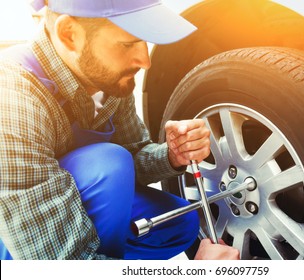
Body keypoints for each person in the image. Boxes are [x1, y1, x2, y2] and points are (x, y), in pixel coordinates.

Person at [0, 0, 240, 260]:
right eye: (128, 44)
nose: (145, 61)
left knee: (179, 224)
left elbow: (132, 157)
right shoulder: (12, 99)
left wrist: (172, 155)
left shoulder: (107, 79)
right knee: (108, 165)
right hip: (20, 235)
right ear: (69, 34)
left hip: (64, 205)